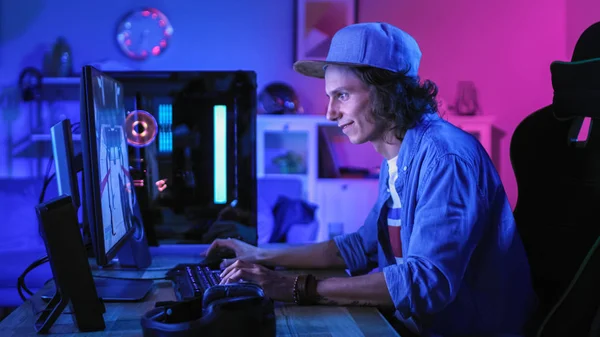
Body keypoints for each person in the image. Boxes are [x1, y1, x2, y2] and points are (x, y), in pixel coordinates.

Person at [206, 22, 536, 336]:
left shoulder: (444, 157)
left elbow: (427, 282)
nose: (330, 113)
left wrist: (295, 287)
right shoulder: (397, 155)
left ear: (387, 93)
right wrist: (259, 256)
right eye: (329, 97)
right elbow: (358, 248)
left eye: (343, 96)